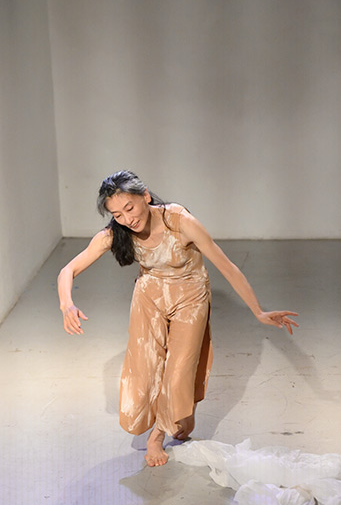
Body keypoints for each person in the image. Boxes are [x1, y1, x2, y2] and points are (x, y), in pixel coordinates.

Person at [57, 170, 299, 467]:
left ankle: (158, 435)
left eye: (130, 208)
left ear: (145, 196)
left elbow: (226, 266)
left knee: (180, 369)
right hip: (149, 296)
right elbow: (68, 270)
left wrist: (258, 311)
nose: (127, 219)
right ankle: (177, 413)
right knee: (143, 369)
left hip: (190, 295)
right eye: (117, 215)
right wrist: (67, 305)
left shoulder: (181, 221)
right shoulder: (116, 233)